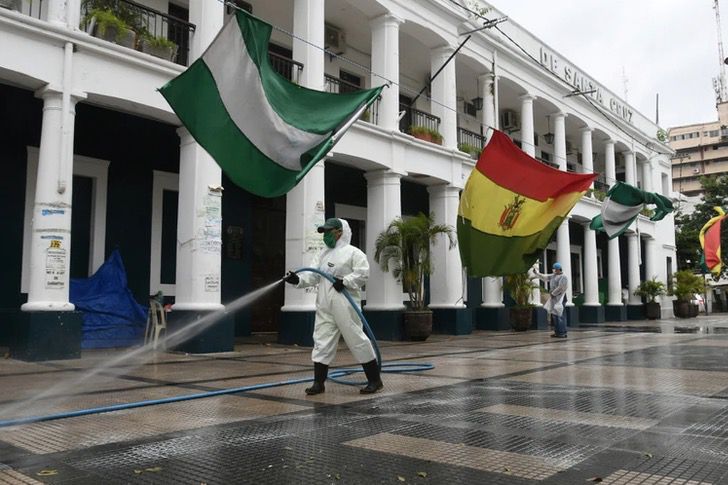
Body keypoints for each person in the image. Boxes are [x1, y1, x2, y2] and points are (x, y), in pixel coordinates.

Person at [284, 218, 383, 395]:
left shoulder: (354, 253)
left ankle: (375, 380)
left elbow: (363, 274)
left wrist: (345, 281)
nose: (326, 236)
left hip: (345, 304)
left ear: (340, 232)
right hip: (324, 305)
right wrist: (297, 280)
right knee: (321, 341)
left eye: (329, 231)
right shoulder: (322, 254)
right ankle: (318, 383)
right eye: (324, 232)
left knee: (356, 339)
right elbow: (314, 275)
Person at [530, 262, 568, 338]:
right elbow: (545, 277)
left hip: (560, 298)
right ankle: (557, 332)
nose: (553, 270)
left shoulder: (563, 277)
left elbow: (561, 287)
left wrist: (553, 293)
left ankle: (562, 332)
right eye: (553, 269)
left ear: (558, 269)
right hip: (554, 298)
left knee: (559, 316)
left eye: (555, 269)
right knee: (554, 315)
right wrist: (537, 273)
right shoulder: (553, 276)